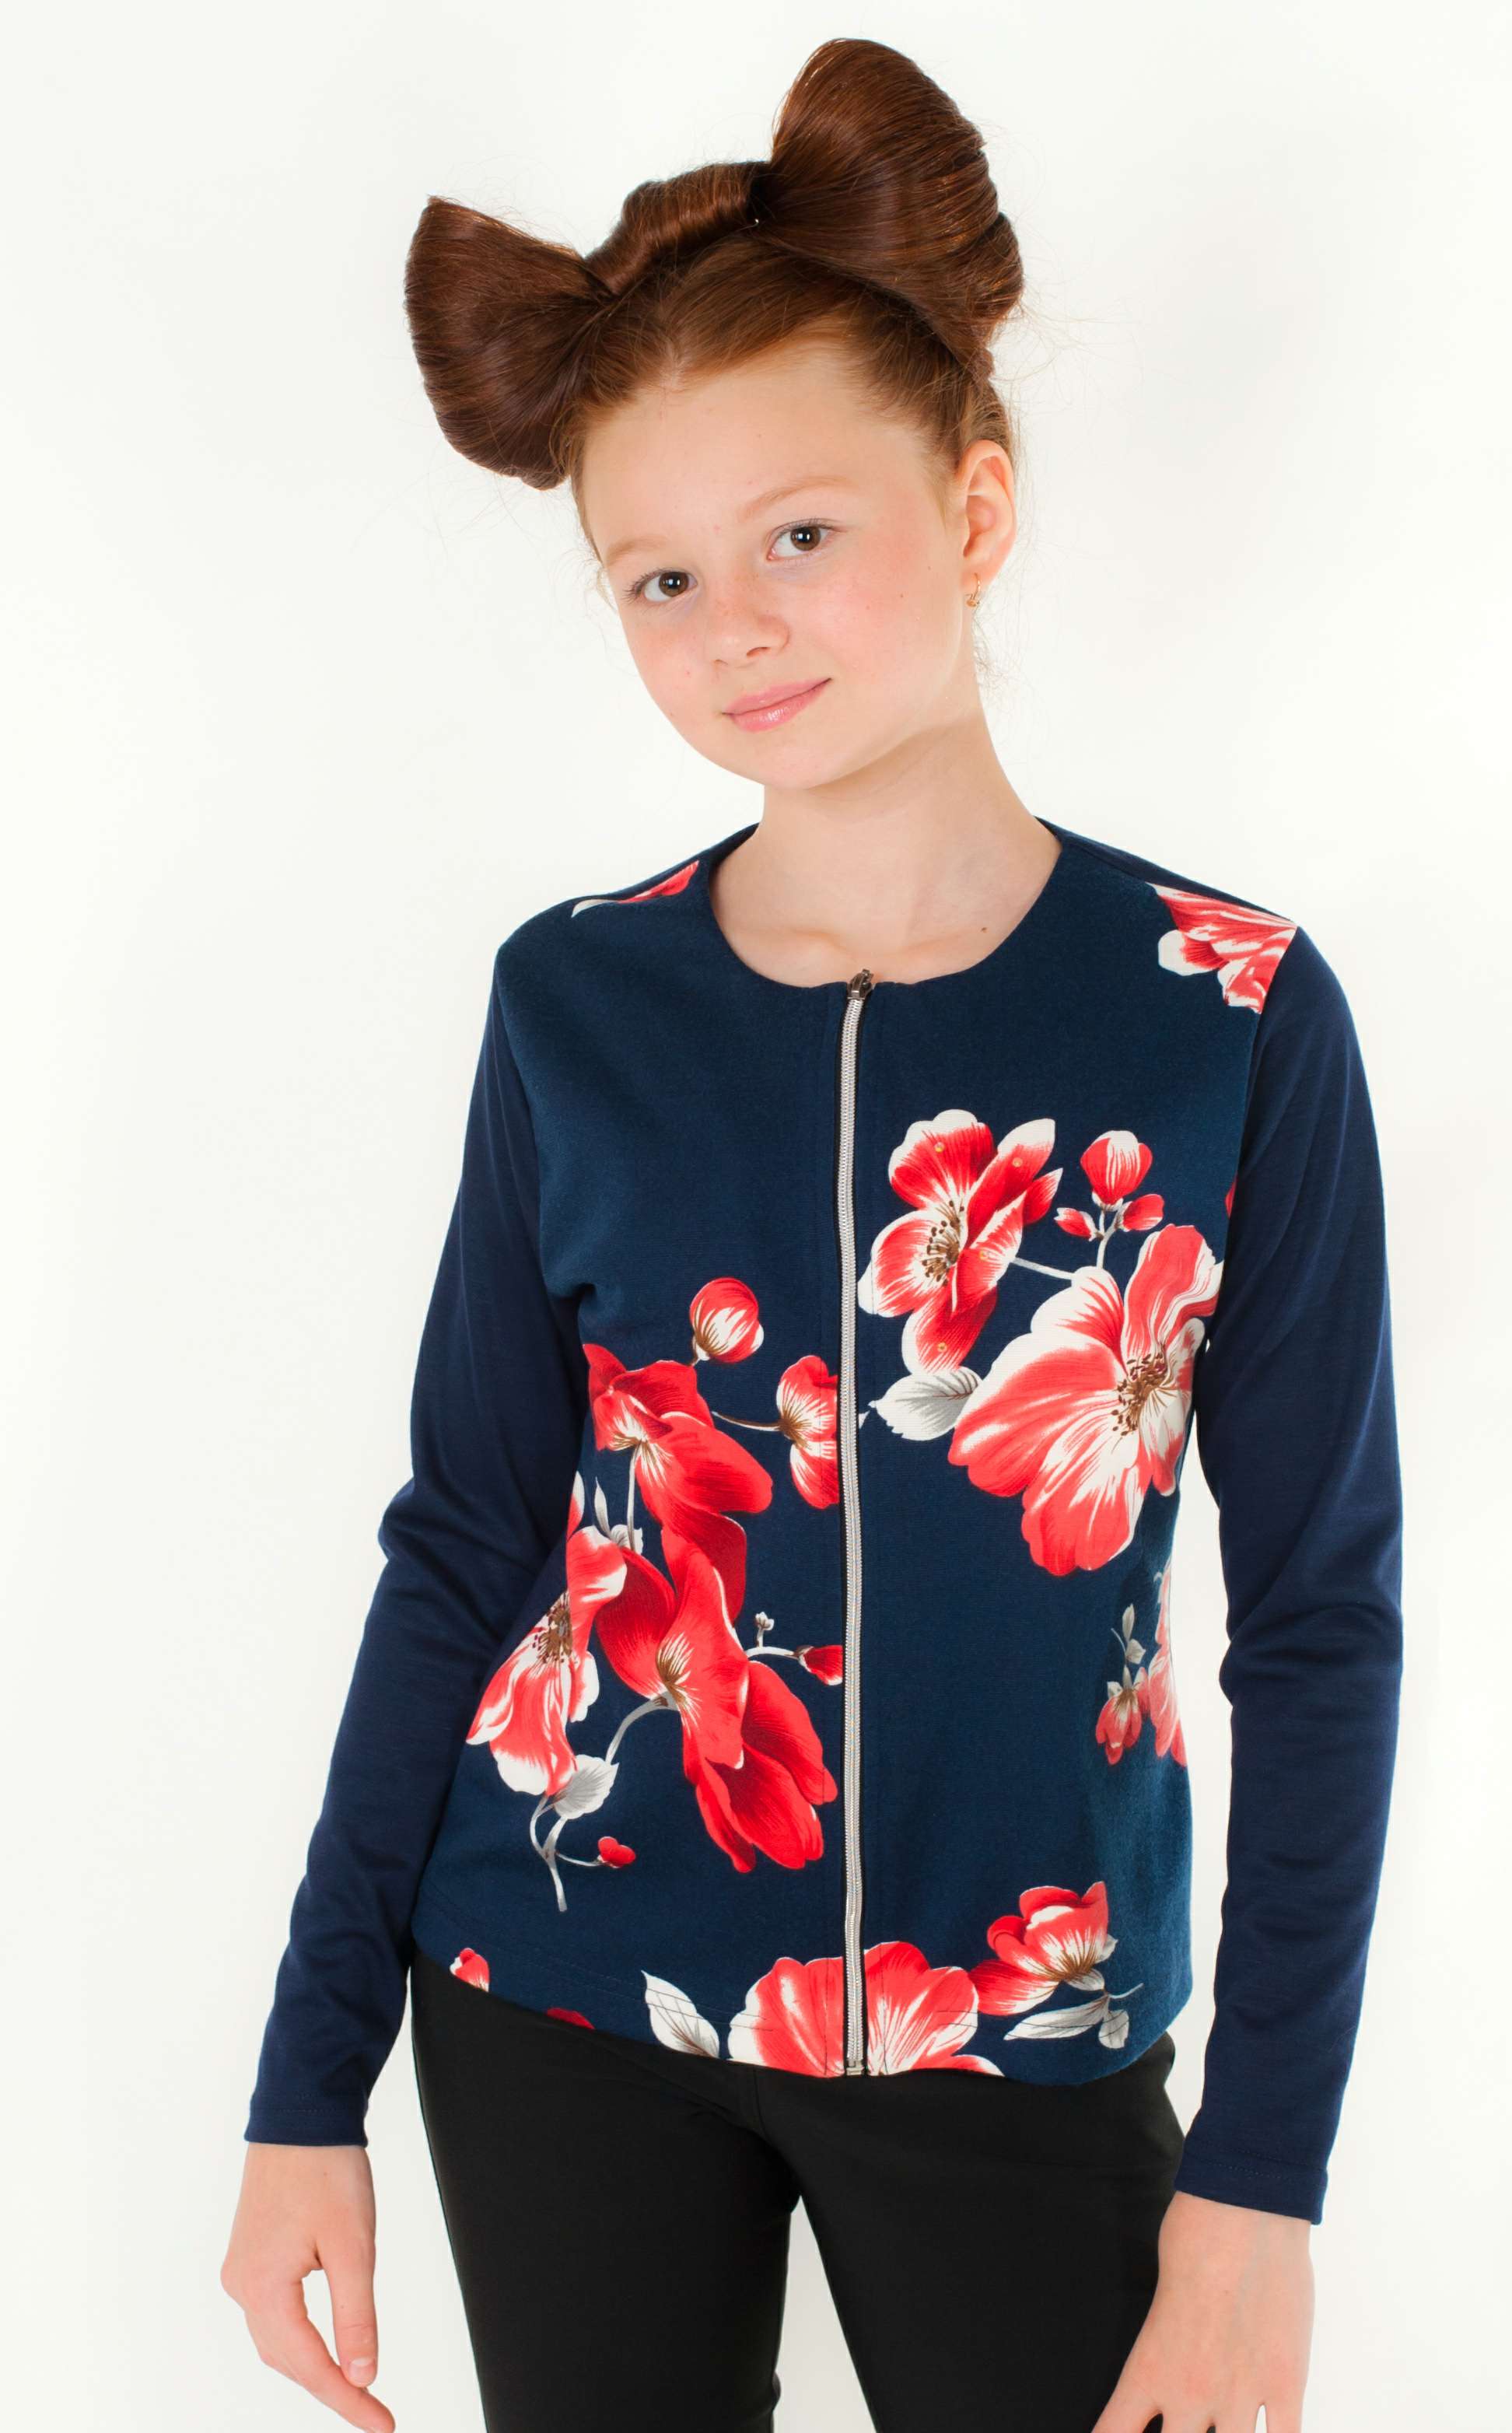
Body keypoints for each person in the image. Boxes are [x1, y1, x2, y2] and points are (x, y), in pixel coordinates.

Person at [220, 36, 1403, 2433]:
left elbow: (1319, 1619)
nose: (735, 627)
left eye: (800, 535)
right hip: (556, 1996)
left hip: (1027, 2031)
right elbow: (465, 1538)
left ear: (975, 506)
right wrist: (302, 2085)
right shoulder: (576, 1000)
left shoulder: (1226, 1013)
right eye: (659, 577)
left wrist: (1261, 2190)